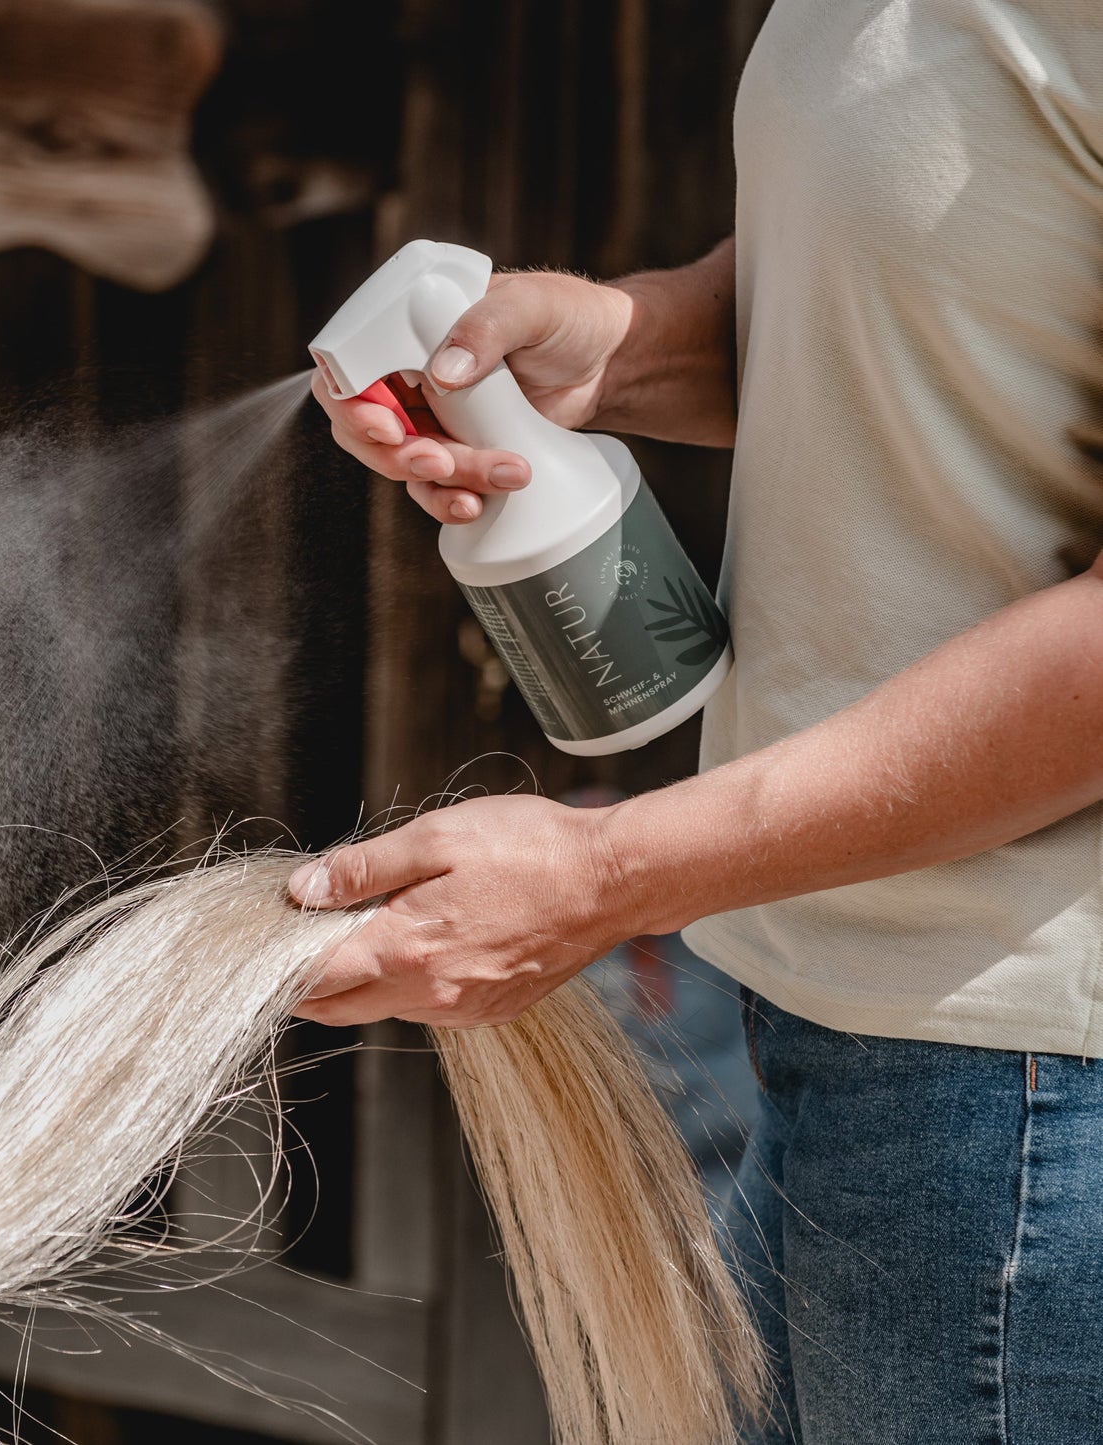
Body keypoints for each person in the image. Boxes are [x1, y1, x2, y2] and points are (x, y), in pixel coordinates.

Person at [289, 3, 1103, 1441]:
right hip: (831, 1014)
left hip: (1029, 1098)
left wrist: (608, 877)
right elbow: (919, 299)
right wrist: (609, 345)